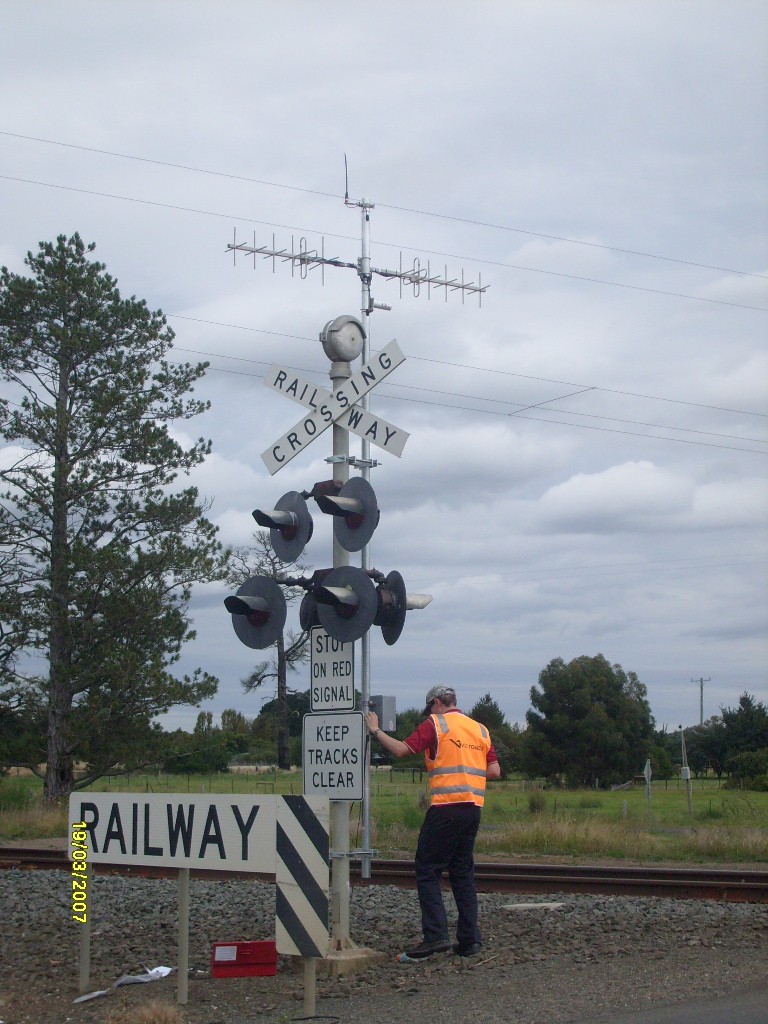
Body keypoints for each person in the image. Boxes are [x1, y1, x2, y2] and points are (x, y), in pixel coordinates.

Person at [365, 684, 500, 960]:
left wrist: (376, 731)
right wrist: (467, 773)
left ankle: (435, 936)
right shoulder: (480, 729)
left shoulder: (436, 725)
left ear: (437, 703)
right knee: (462, 871)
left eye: (430, 708)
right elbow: (495, 771)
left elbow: (402, 750)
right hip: (473, 808)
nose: (430, 712)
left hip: (445, 808)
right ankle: (470, 941)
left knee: (427, 868)